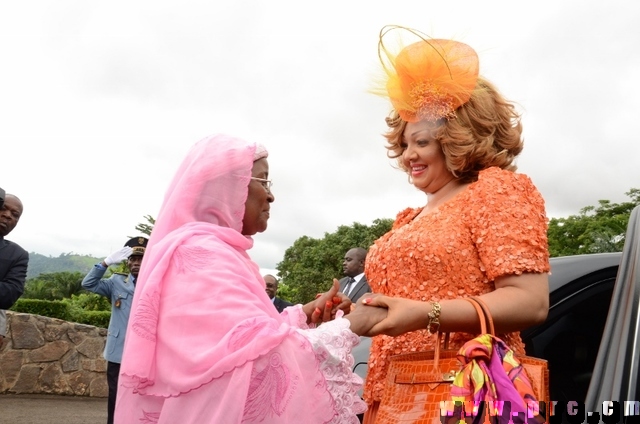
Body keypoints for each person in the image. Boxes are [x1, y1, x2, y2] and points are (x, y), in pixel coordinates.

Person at [115, 134, 386, 423]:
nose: (271, 195)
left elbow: (241, 342)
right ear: (228, 188)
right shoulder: (199, 256)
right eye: (263, 181)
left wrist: (303, 314)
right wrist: (353, 324)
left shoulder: (220, 253)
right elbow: (257, 362)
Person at [358, 27, 551, 420]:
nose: (408, 154)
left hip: (466, 391)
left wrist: (424, 313)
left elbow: (530, 302)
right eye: (405, 143)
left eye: (422, 142)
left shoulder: (496, 191)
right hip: (394, 393)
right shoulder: (409, 219)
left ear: (460, 138)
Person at [81, 236, 148, 424]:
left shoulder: (154, 282)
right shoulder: (116, 282)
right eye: (133, 259)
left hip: (144, 351)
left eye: (140, 259)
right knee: (115, 393)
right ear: (127, 262)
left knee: (141, 395)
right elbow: (88, 284)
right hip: (118, 350)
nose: (136, 263)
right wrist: (105, 263)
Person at [0, 191, 28, 350]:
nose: (8, 215)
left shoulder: (17, 255)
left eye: (15, 214)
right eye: (3, 208)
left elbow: (9, 295)